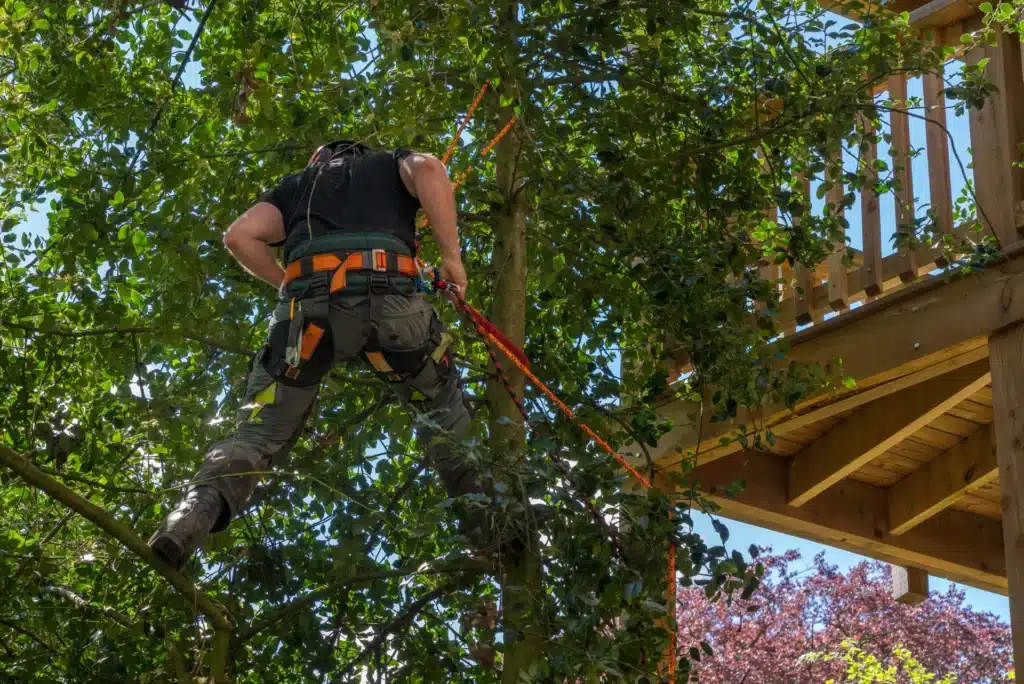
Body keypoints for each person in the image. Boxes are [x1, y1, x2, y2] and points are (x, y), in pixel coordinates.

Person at [147, 140, 511, 570]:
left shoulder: (297, 186)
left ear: (316, 159)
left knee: (256, 434)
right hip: (395, 309)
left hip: (306, 319)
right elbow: (430, 169)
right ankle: (495, 532)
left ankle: (191, 515)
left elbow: (238, 236)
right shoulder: (389, 164)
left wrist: (293, 285)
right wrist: (452, 259)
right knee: (443, 410)